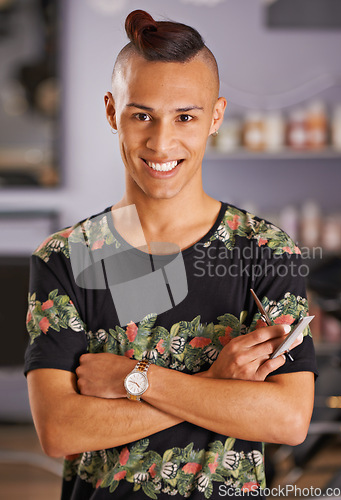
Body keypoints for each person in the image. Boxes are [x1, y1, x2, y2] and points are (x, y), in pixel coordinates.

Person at [25, 9, 317, 500]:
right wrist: (216, 382)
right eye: (142, 116)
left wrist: (135, 380)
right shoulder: (64, 258)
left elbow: (287, 420)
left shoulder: (267, 252)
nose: (162, 142)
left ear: (216, 117)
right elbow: (60, 430)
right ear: (111, 112)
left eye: (185, 116)